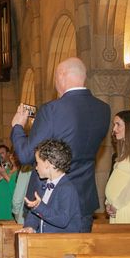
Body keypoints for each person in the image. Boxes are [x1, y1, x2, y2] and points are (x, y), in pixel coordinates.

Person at [11, 57, 110, 232]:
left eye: (55, 79)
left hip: (51, 202)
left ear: (62, 75)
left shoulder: (52, 110)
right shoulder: (103, 109)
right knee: (78, 257)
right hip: (84, 199)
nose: (55, 84)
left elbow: (26, 155)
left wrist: (18, 127)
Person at [21, 139, 82, 258]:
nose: (35, 167)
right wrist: (31, 227)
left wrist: (39, 207)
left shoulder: (67, 188)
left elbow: (62, 219)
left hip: (60, 248)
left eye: (38, 163)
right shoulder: (44, 186)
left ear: (48, 165)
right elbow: (34, 212)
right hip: (46, 246)